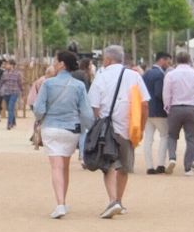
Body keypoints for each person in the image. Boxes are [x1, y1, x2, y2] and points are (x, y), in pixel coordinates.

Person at [88, 45, 147, 219]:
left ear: (107, 59)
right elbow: (144, 104)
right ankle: (119, 201)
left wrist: (99, 123)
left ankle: (113, 200)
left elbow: (94, 105)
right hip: (129, 128)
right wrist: (141, 127)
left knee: (109, 165)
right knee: (124, 166)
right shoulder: (135, 76)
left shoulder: (101, 76)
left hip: (108, 129)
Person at [32, 50, 92, 219]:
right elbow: (86, 113)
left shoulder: (48, 84)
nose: (53, 64)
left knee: (56, 167)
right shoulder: (79, 86)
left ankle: (60, 204)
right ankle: (63, 201)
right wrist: (90, 129)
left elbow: (38, 108)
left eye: (55, 61)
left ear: (62, 64)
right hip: (72, 130)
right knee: (64, 166)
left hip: (51, 128)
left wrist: (40, 118)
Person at [162, 52, 194, 176]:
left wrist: (167, 107)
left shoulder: (171, 75)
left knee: (172, 136)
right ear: (189, 60)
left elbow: (166, 93)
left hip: (175, 107)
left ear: (176, 60)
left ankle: (172, 158)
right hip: (191, 107)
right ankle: (188, 167)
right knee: (191, 138)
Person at [141, 52, 171, 174]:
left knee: (148, 138)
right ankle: (160, 164)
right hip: (159, 111)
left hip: (147, 110)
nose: (168, 64)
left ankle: (149, 166)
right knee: (164, 136)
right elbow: (159, 93)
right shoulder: (160, 75)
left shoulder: (146, 73)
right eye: (168, 61)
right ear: (162, 60)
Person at [0, 61, 24, 130]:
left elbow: (20, 83)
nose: (6, 66)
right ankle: (13, 121)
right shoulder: (5, 73)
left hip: (14, 92)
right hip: (6, 93)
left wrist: (22, 91)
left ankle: (9, 124)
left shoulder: (18, 73)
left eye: (8, 64)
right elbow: (1, 82)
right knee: (9, 108)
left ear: (12, 65)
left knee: (10, 107)